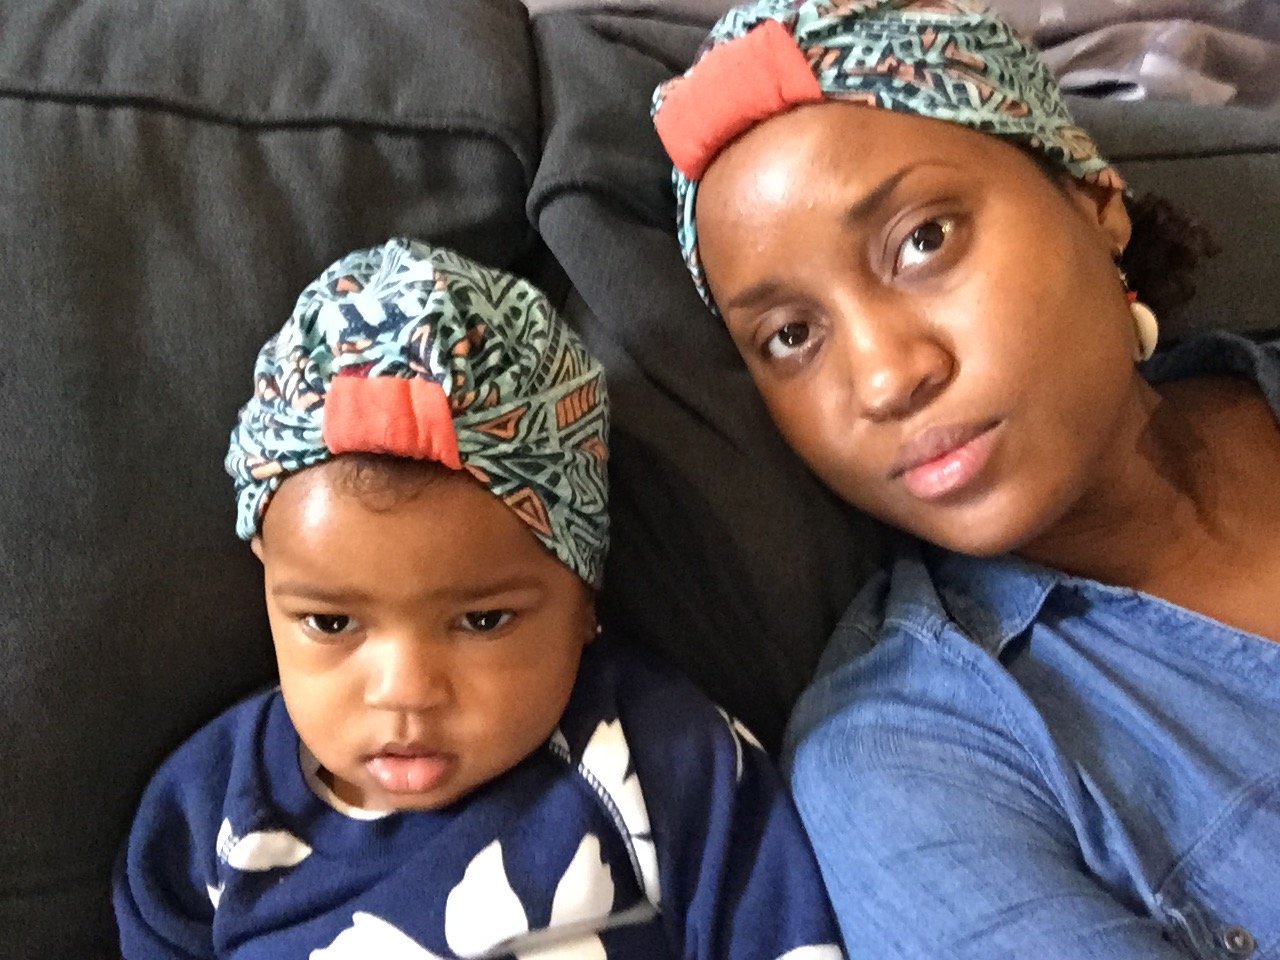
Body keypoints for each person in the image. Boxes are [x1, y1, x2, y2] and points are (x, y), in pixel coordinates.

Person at [651, 2, 1280, 958]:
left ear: (1094, 199)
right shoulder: (909, 760)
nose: (884, 378)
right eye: (790, 336)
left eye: (924, 240)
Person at [111, 238, 844, 959]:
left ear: (585, 593)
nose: (406, 691)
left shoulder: (670, 763)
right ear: (267, 582)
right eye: (331, 622)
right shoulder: (204, 817)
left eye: (483, 619)